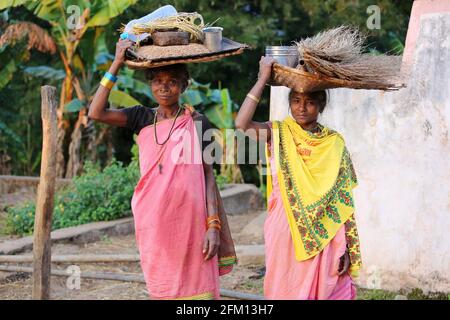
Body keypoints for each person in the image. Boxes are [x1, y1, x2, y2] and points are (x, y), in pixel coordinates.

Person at [88, 38, 236, 300]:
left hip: (192, 221)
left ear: (184, 85)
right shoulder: (140, 117)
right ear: (150, 84)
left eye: (172, 81)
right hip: (153, 219)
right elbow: (96, 112)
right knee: (162, 286)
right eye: (158, 81)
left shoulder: (198, 122)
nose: (164, 87)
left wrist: (213, 226)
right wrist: (117, 62)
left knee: (198, 287)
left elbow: (207, 176)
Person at [235, 56, 362, 300]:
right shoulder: (278, 133)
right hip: (285, 227)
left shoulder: (334, 143)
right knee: (286, 289)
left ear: (321, 106)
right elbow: (242, 124)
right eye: (296, 101)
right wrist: (263, 78)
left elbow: (344, 200)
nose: (302, 108)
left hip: (327, 232)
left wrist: (345, 246)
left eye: (310, 102)